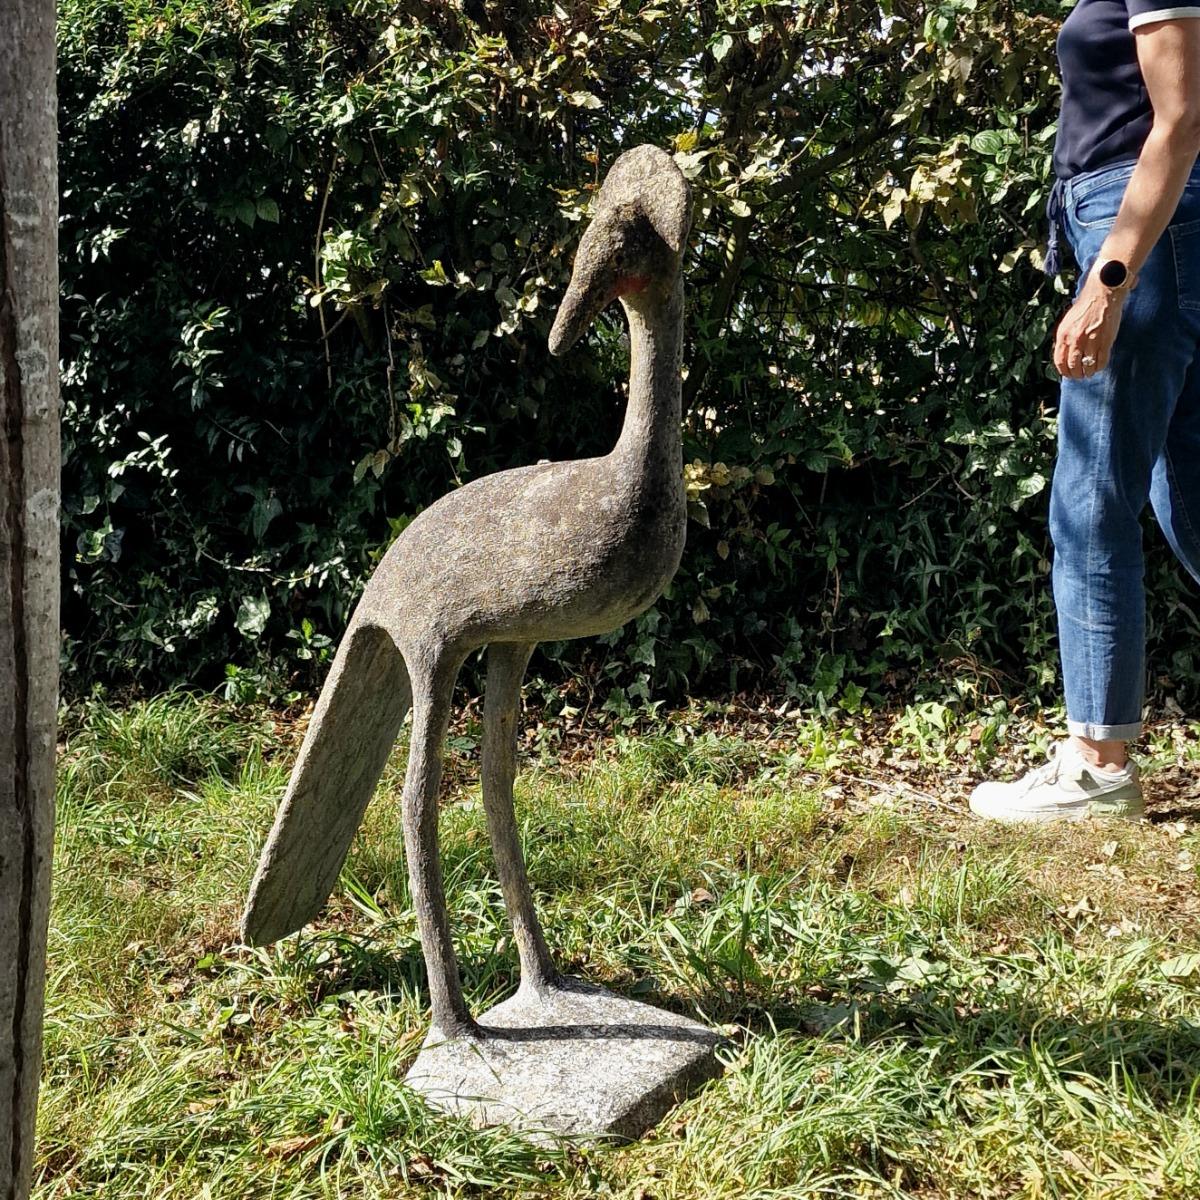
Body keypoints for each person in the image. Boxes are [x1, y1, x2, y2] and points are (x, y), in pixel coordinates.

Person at [970, 2, 1200, 823]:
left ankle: (1099, 767)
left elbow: (1180, 118)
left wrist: (1109, 281)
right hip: (1165, 233)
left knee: (1091, 502)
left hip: (1142, 233)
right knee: (1189, 499)